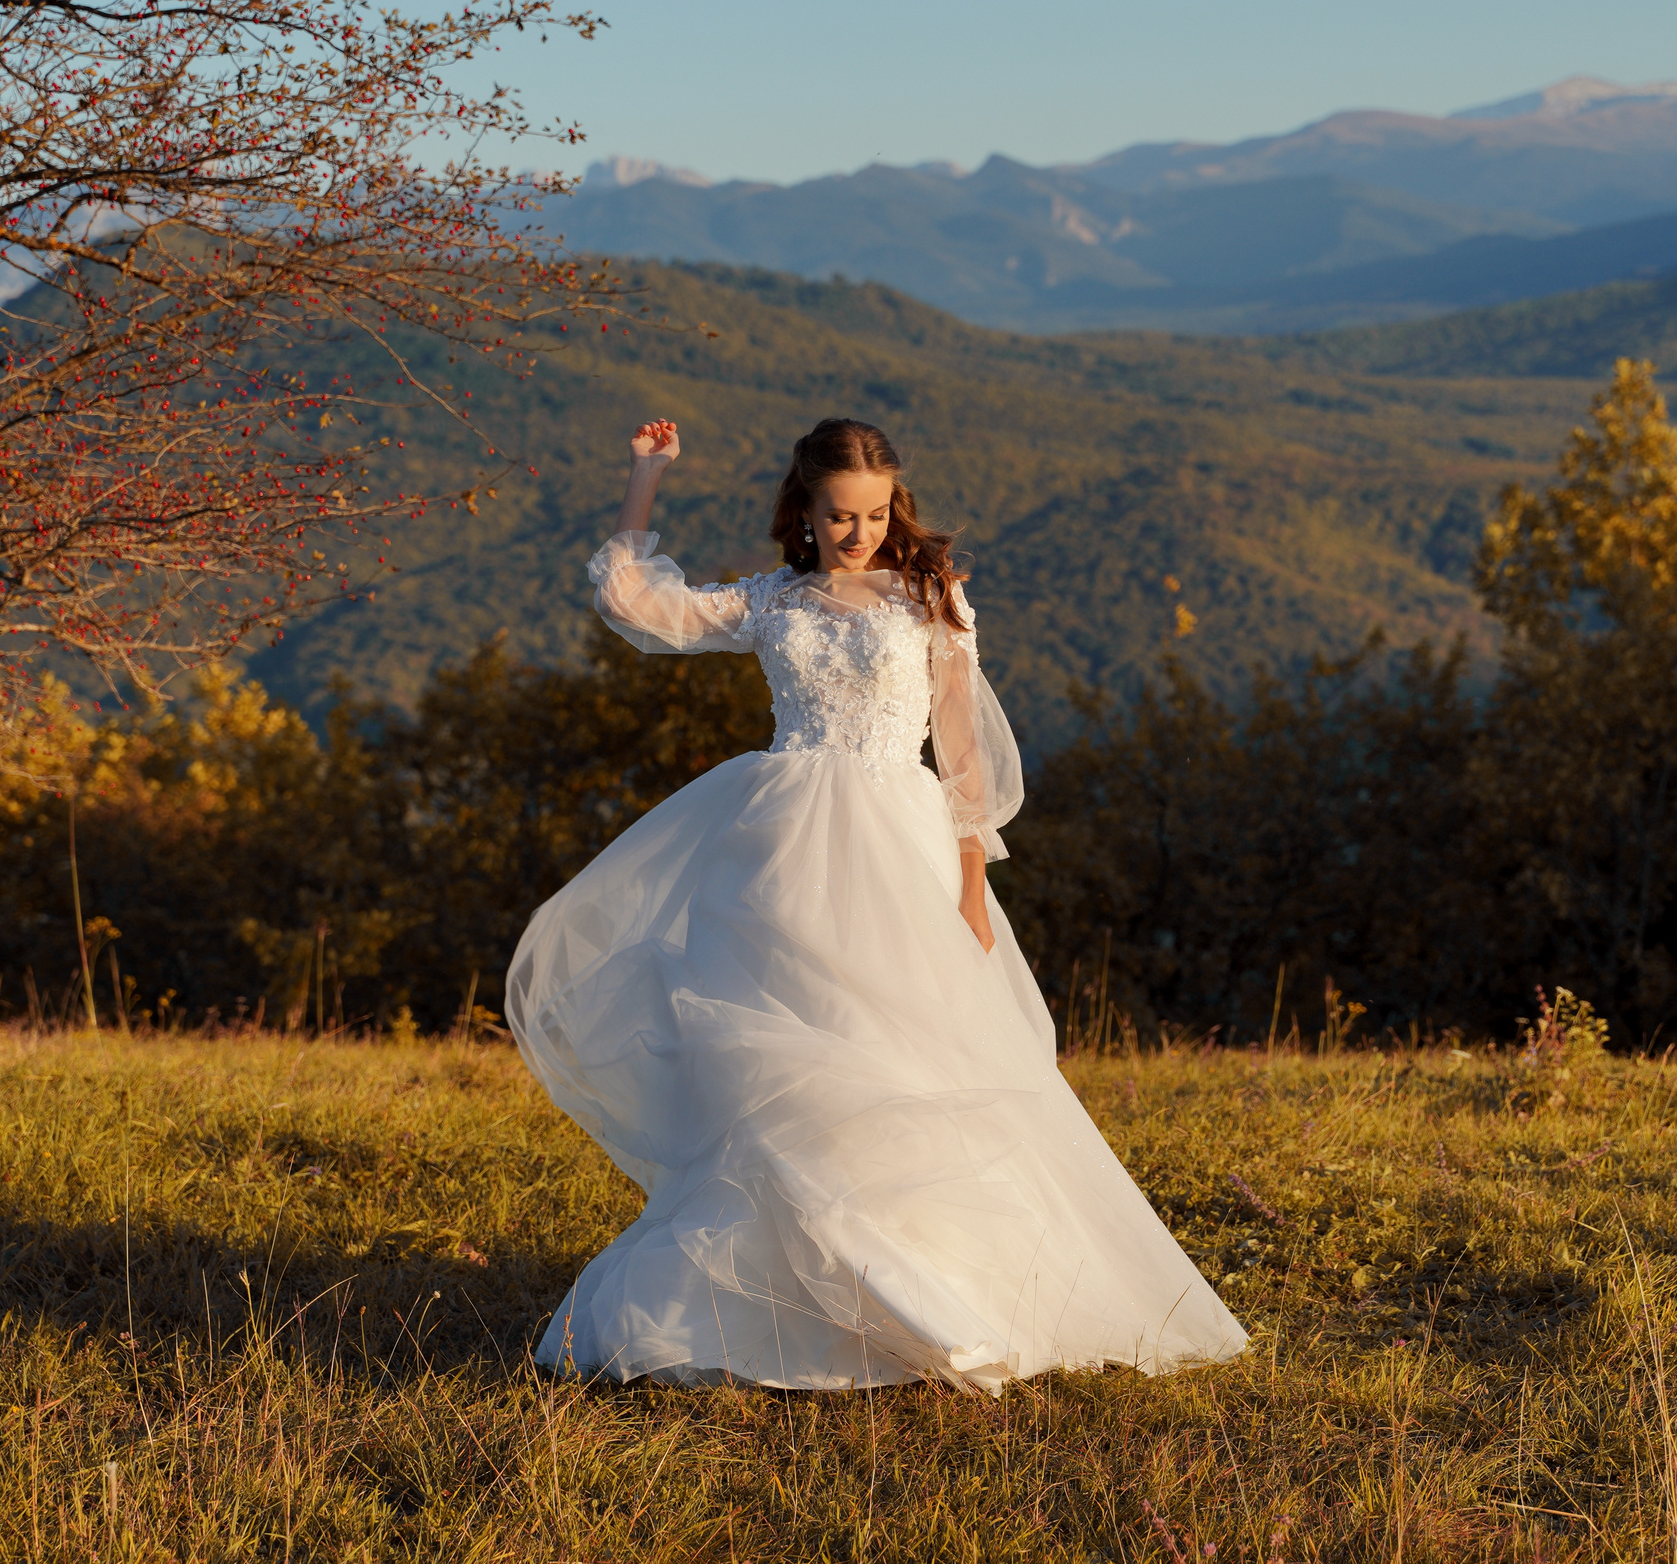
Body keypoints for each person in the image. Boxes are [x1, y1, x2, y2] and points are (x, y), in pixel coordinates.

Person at [505, 416, 1249, 1391]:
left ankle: (918, 1283)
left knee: (902, 1057)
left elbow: (963, 748)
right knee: (781, 1070)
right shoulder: (774, 600)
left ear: (891, 507)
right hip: (775, 858)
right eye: (836, 515)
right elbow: (637, 602)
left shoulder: (928, 599)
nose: (855, 532)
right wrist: (645, 474)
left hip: (901, 847)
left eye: (871, 513)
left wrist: (975, 879)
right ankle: (776, 1293)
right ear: (803, 512)